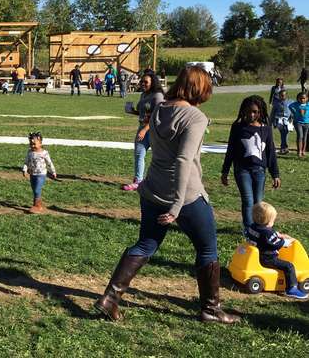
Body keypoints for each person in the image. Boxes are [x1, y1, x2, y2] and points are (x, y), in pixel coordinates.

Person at [94, 66, 240, 324]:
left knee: (146, 244)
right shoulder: (195, 117)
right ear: (199, 88)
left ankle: (110, 298)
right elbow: (184, 160)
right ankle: (211, 309)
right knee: (208, 249)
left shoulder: (160, 107)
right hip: (185, 195)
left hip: (151, 189)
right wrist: (176, 204)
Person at [221, 95, 280, 232]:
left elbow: (271, 152)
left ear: (260, 112)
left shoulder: (265, 129)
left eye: (255, 112)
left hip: (259, 170)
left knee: (258, 202)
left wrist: (275, 174)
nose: (251, 114)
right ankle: (248, 229)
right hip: (242, 170)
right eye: (248, 111)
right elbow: (231, 150)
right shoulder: (237, 127)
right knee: (247, 200)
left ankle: (259, 228)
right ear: (243, 111)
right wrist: (225, 171)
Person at [247, 202, 308, 299]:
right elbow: (277, 243)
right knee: (289, 266)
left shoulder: (252, 227)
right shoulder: (268, 233)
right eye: (273, 220)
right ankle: (291, 288)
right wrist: (288, 241)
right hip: (268, 258)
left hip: (259, 253)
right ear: (268, 221)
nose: (273, 222)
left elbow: (264, 235)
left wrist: (277, 234)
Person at [123, 70, 165, 191]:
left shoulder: (158, 96)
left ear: (153, 82)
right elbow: (145, 113)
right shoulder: (143, 95)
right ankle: (138, 181)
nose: (143, 84)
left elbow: (157, 115)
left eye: (145, 82)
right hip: (142, 128)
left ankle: (161, 183)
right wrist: (133, 111)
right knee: (139, 154)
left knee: (159, 158)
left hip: (154, 130)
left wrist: (145, 130)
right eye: (142, 81)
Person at [22, 132, 56, 214]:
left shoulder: (44, 153)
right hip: (32, 174)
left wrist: (53, 171)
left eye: (34, 144)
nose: (32, 146)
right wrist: (24, 169)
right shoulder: (29, 152)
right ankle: (37, 204)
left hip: (41, 174)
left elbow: (49, 163)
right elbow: (26, 162)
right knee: (34, 190)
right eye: (31, 144)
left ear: (40, 143)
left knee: (37, 189)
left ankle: (37, 207)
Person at [270, 89, 292, 155]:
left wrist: (292, 117)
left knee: (285, 133)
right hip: (279, 120)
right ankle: (284, 148)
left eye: (283, 95)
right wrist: (271, 121)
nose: (282, 97)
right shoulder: (276, 103)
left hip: (287, 120)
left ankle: (284, 147)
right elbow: (273, 113)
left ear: (286, 95)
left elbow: (294, 111)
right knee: (283, 133)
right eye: (280, 96)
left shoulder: (290, 102)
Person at [288, 92, 309, 157]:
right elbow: (290, 106)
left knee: (305, 137)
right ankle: (299, 151)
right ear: (298, 99)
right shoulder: (296, 104)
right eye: (300, 98)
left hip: (307, 123)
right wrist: (294, 112)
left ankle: (303, 151)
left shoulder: (308, 105)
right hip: (298, 122)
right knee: (300, 136)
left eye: (304, 98)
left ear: (307, 98)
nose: (302, 100)